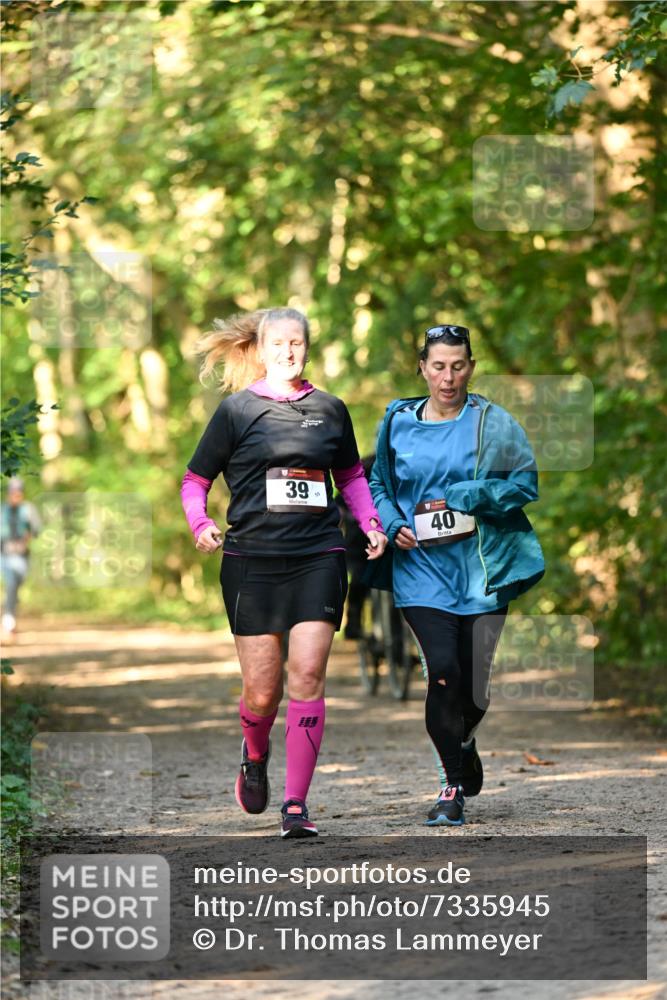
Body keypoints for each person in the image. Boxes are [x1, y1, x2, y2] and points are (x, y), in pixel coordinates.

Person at [181, 307, 387, 839]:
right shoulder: (236, 411)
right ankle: (254, 752)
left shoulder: (330, 410)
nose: (287, 352)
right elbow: (194, 479)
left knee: (309, 676)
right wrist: (201, 523)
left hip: (318, 557)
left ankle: (296, 804)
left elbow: (351, 477)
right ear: (262, 347)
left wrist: (369, 521)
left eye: (296, 343)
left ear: (307, 348)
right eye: (278, 343)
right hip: (252, 563)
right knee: (262, 693)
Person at [369, 324, 544, 827]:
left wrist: (472, 495)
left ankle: (464, 740)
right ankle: (450, 785)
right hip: (420, 570)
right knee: (442, 671)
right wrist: (393, 520)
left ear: (471, 366)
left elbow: (523, 485)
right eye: (438, 366)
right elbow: (379, 481)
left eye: (458, 365)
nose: (448, 377)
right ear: (422, 368)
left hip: (483, 570)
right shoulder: (397, 422)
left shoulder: (493, 422)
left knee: (475, 687)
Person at [1, 476, 41, 642]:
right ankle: (9, 621)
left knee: (16, 586)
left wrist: (28, 533)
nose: (15, 496)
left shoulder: (28, 509)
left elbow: (37, 530)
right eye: (12, 493)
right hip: (4, 554)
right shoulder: (2, 511)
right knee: (10, 583)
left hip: (22, 555)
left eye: (18, 493)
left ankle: (9, 613)